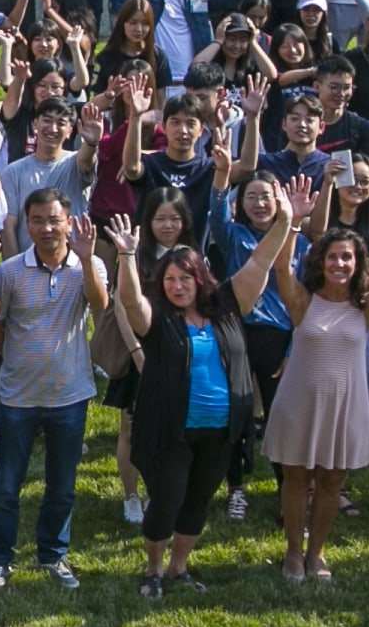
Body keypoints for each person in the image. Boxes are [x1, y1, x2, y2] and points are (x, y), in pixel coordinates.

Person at [104, 199, 284, 597]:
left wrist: (287, 219)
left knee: (198, 501)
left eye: (186, 278)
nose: (178, 286)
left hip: (221, 431)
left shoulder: (227, 307)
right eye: (170, 279)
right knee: (167, 499)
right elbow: (131, 302)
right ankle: (153, 570)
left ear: (201, 279)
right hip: (172, 430)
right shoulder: (157, 316)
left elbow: (260, 263)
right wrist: (128, 256)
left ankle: (178, 568)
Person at [264, 181, 369, 585]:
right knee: (296, 480)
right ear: (321, 261)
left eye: (347, 257)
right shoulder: (303, 301)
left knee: (331, 483)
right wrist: (292, 223)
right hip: (299, 403)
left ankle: (318, 553)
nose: (340, 264)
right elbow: (279, 269)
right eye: (332, 257)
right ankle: (293, 553)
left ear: (357, 263)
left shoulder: (366, 306)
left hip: (346, 406)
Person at [0, 190, 111, 589]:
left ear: (69, 222)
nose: (47, 228)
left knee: (62, 485)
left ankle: (53, 555)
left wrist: (85, 259)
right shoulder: (13, 270)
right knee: (6, 485)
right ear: (27, 224)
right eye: (37, 220)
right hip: (18, 395)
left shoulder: (90, 263)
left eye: (54, 220)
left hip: (70, 393)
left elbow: (98, 304)